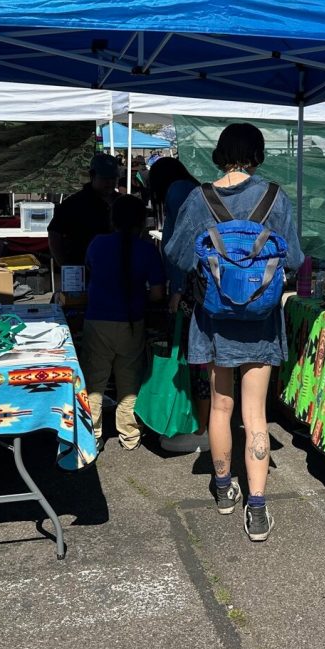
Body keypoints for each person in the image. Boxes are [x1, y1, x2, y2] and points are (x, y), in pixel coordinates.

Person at [165, 123, 303, 543]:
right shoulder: (275, 197)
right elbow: (294, 257)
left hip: (213, 320)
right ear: (258, 153)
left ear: (220, 152)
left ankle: (225, 489)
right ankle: (257, 508)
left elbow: (176, 254)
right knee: (255, 414)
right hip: (260, 321)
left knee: (221, 409)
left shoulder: (198, 197)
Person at [81, 195, 165, 451]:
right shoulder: (147, 250)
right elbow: (158, 294)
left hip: (97, 321)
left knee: (95, 381)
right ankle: (129, 436)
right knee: (129, 382)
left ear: (112, 219)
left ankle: (92, 435)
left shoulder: (97, 244)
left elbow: (90, 273)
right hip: (131, 322)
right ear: (142, 222)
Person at [148, 157, 208, 453]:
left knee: (192, 359)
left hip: (190, 291)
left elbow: (185, 243)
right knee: (197, 360)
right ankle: (200, 425)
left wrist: (178, 289)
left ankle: (199, 427)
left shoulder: (178, 191)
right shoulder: (191, 187)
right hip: (197, 288)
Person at [47, 153, 117, 268]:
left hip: (116, 272)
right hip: (82, 271)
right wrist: (65, 266)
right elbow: (54, 233)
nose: (109, 182)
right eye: (104, 178)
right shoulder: (74, 204)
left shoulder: (121, 202)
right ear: (92, 176)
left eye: (113, 178)